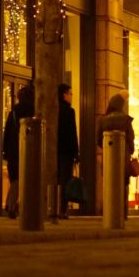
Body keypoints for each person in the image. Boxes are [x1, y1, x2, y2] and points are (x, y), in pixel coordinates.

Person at [96, 93, 135, 217]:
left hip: (108, 157)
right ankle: (122, 212)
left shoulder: (103, 120)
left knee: (109, 183)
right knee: (122, 184)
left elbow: (98, 139)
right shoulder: (125, 119)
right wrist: (130, 150)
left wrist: (108, 149)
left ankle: (108, 212)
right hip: (123, 157)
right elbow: (130, 137)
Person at [1, 85, 36, 220]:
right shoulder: (33, 112)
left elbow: (7, 133)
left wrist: (5, 150)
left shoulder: (13, 112)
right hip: (28, 149)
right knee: (24, 180)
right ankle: (12, 206)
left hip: (13, 151)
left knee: (15, 179)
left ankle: (11, 205)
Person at [55, 83, 79, 218]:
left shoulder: (53, 109)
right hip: (66, 151)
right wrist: (76, 152)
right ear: (64, 95)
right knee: (65, 180)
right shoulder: (69, 111)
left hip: (55, 150)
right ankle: (62, 209)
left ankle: (53, 206)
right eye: (70, 93)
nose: (71, 96)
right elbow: (72, 133)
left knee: (56, 179)